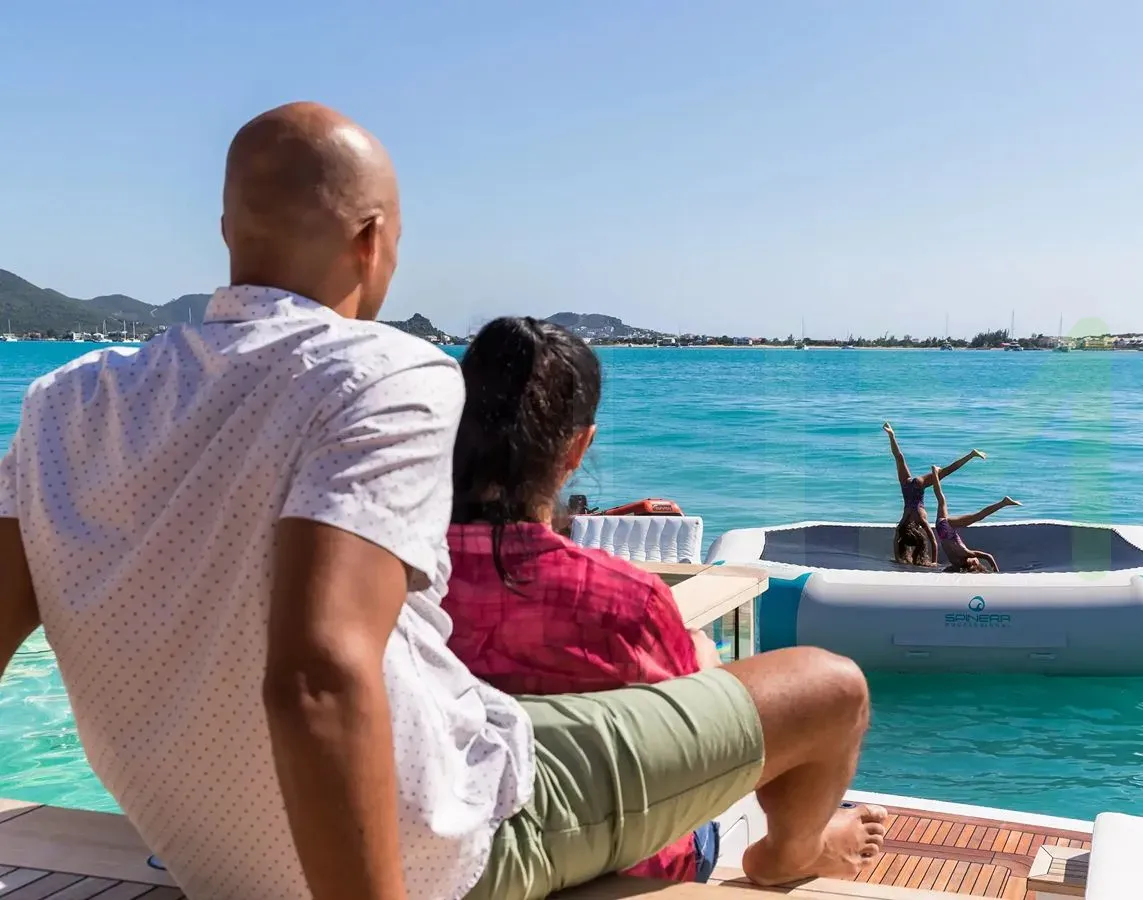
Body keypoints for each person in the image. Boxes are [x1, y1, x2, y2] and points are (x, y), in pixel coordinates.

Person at [0, 101, 885, 900]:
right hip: (436, 852)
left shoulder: (64, 402)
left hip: (207, 850)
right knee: (827, 688)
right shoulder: (381, 371)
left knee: (511, 713)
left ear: (228, 229)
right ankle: (791, 855)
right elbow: (316, 677)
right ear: (373, 239)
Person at [442, 316, 723, 884]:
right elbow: (691, 746)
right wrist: (704, 663)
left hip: (451, 846)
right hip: (619, 858)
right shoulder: (627, 600)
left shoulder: (400, 579)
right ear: (578, 447)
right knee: (711, 668)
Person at [882, 422, 984, 564]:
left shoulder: (920, 520)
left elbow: (934, 542)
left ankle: (971, 455)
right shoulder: (904, 522)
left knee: (945, 472)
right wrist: (898, 558)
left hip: (918, 487)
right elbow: (897, 539)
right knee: (899, 458)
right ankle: (891, 435)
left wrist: (934, 562)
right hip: (907, 486)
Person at [929, 465, 1021, 573]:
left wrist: (996, 571)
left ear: (972, 563)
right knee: (941, 500)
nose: (977, 560)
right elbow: (949, 568)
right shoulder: (957, 563)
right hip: (942, 531)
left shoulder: (967, 553)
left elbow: (988, 556)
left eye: (977, 561)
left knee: (978, 516)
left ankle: (1004, 502)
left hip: (946, 529)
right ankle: (935, 472)